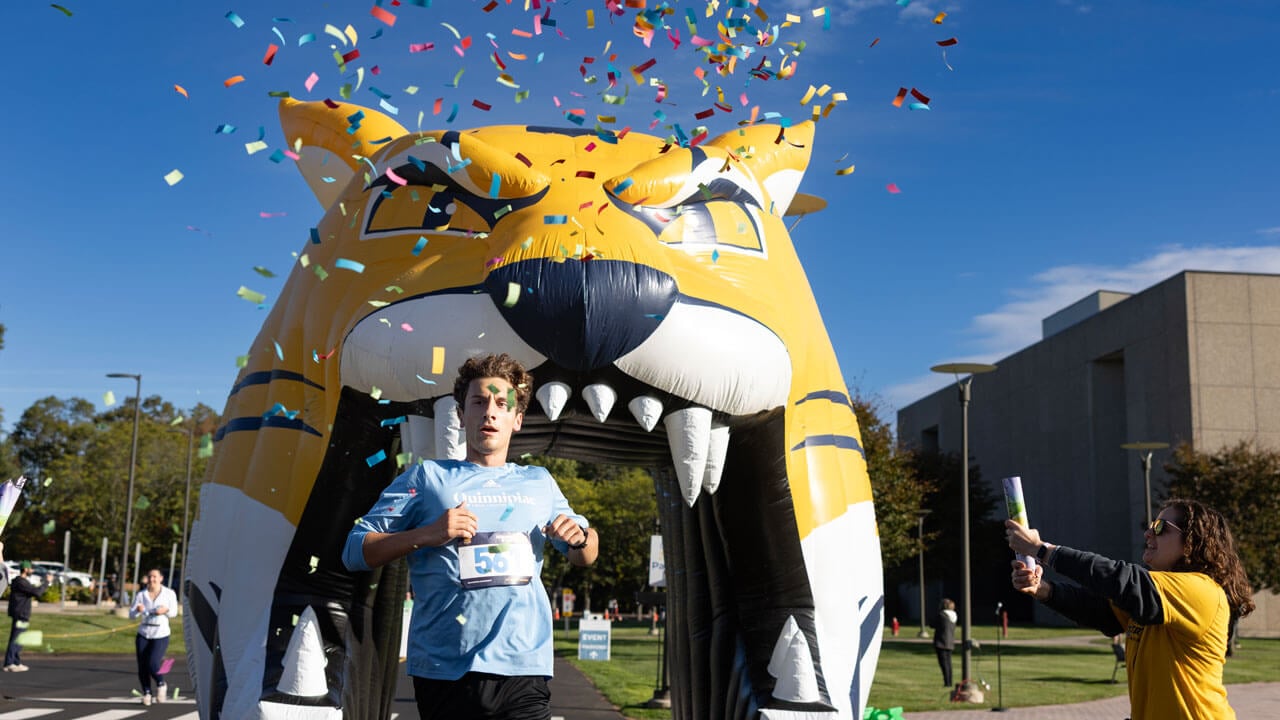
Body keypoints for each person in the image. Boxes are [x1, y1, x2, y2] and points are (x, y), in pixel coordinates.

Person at [344, 353, 599, 720]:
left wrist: (580, 538)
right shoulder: (427, 478)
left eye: (501, 404)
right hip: (445, 669)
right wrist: (429, 533)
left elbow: (586, 554)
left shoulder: (539, 482)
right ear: (461, 416)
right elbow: (355, 550)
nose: (490, 413)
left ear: (518, 419)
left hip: (522, 667)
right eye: (478, 402)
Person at [1006, 498, 1255, 719]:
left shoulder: (1201, 590)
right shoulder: (1156, 598)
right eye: (1150, 525)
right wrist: (1043, 589)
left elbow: (1120, 579)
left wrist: (1041, 550)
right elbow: (1102, 612)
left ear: (1191, 542)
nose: (1149, 533)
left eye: (1160, 528)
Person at [129, 568, 177, 705]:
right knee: (142, 665)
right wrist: (137, 611)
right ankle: (147, 692)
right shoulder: (141, 595)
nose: (152, 579)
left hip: (160, 633)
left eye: (155, 577)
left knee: (153, 662)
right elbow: (131, 615)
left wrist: (165, 610)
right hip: (144, 633)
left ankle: (161, 683)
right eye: (150, 577)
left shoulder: (169, 593)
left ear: (161, 578)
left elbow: (173, 612)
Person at [5, 560, 42, 672]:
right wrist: (46, 582)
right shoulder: (21, 582)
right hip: (20, 614)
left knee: (20, 639)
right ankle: (9, 663)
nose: (32, 570)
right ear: (25, 569)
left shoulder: (21, 582)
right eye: (30, 568)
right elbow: (37, 592)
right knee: (16, 639)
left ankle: (16, 662)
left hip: (22, 614)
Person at [930, 598, 957, 688]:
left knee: (943, 663)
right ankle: (949, 681)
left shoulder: (942, 615)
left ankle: (947, 682)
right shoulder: (954, 616)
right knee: (948, 663)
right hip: (950, 642)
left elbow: (932, 624)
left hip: (941, 642)